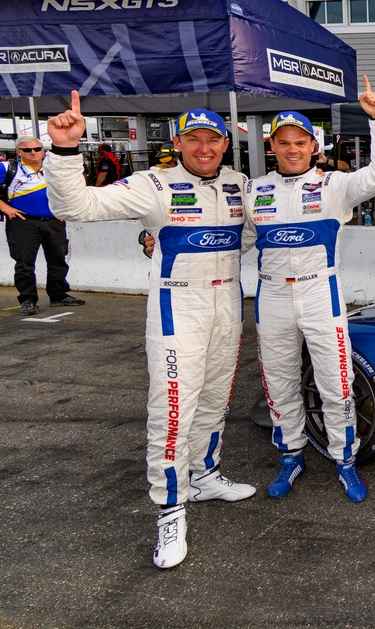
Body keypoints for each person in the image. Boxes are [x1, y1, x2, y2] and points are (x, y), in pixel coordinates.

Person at [44, 96, 254, 570]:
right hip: (178, 308)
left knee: (215, 400)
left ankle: (203, 474)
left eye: (213, 139)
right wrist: (63, 151)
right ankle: (170, 509)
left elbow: (250, 235)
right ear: (177, 142)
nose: (204, 148)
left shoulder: (239, 184)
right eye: (194, 139)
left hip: (229, 304)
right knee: (173, 408)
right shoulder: (153, 184)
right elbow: (75, 205)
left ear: (225, 143)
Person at [247, 80, 375, 504]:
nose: (292, 149)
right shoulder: (254, 190)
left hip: (320, 294)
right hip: (271, 297)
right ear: (272, 145)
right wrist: (152, 237)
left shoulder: (335, 184)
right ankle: (290, 454)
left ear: (314, 145)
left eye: (301, 142)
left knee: (336, 382)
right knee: (279, 383)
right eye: (284, 142)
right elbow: (231, 239)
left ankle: (344, 459)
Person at [1, 136, 86, 316]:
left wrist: (66, 210)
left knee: (58, 259)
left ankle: (58, 295)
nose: (33, 152)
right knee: (24, 263)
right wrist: (5, 208)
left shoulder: (53, 168)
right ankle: (27, 300)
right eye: (27, 150)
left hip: (54, 221)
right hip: (23, 222)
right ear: (18, 152)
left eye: (37, 148)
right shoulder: (8, 168)